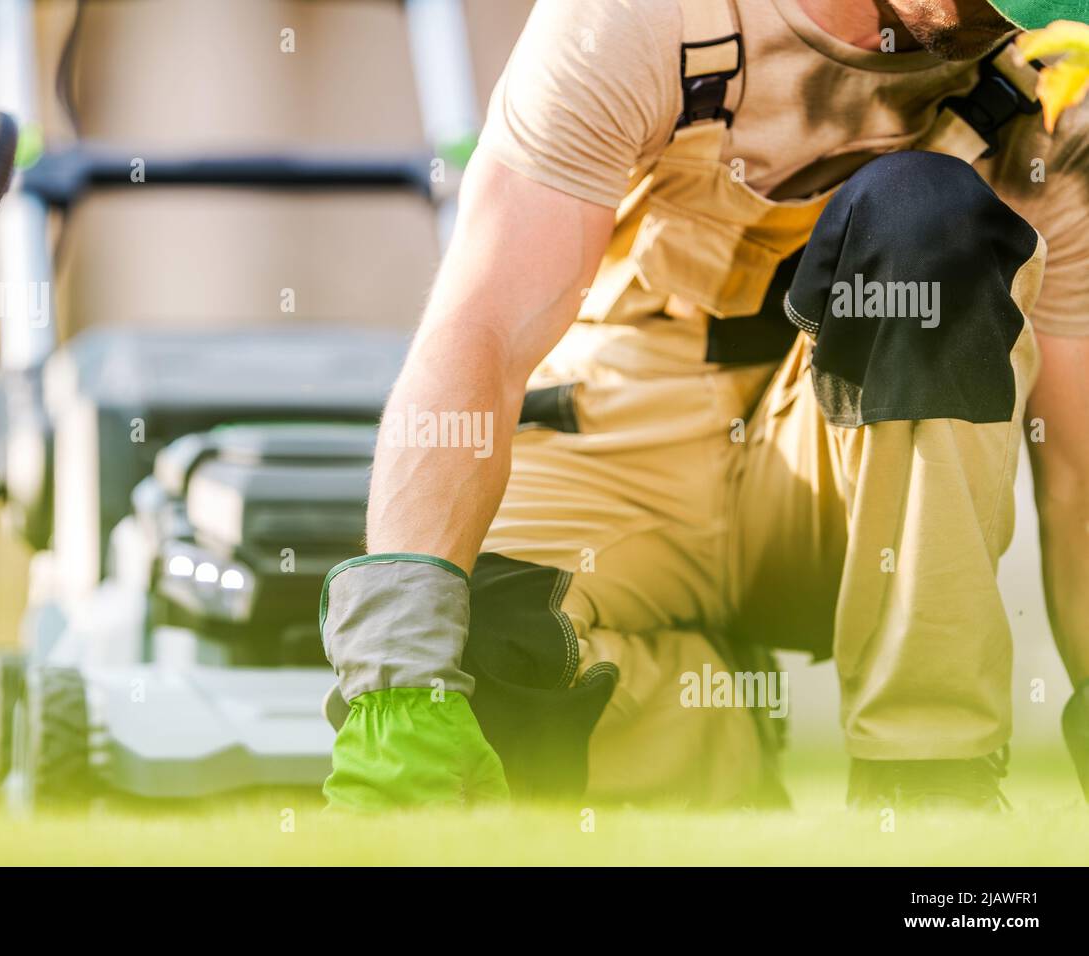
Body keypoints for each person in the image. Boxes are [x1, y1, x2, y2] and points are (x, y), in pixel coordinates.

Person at [319, 0, 1089, 810]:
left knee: (923, 216)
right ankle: (709, 726)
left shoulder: (1053, 101)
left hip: (854, 486)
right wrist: (398, 680)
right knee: (470, 662)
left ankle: (928, 786)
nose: (1005, 24)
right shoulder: (641, 17)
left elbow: (1075, 474)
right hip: (619, 426)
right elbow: (485, 328)